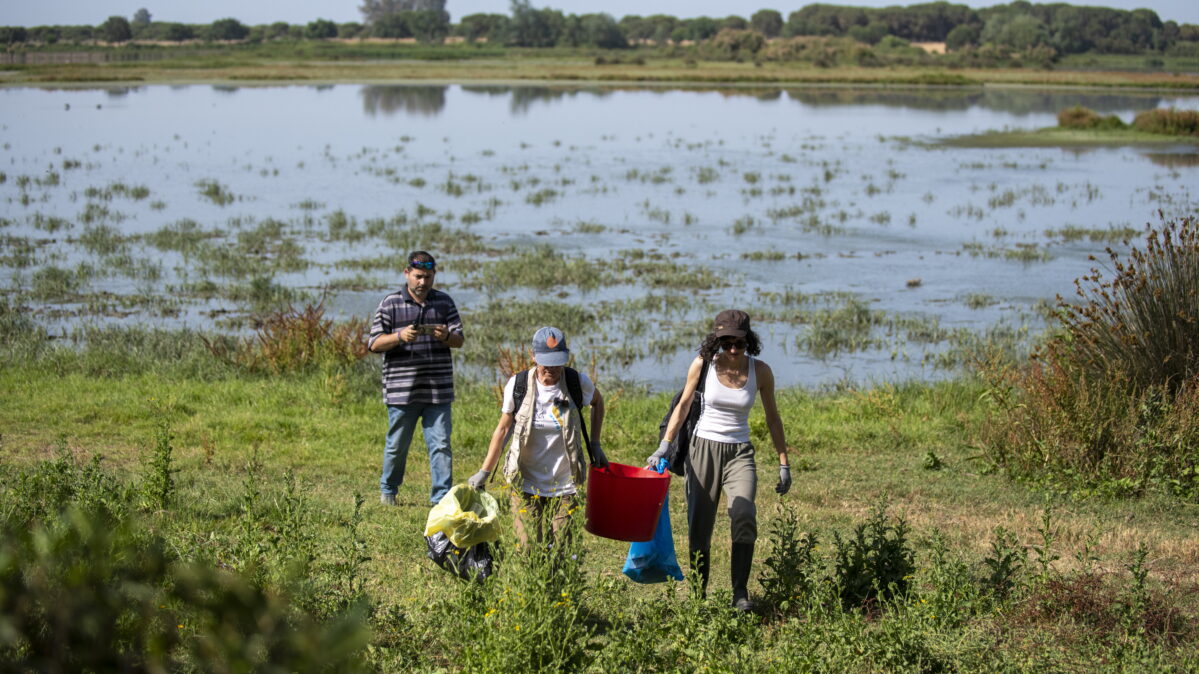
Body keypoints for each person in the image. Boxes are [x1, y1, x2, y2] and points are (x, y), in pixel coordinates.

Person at [647, 309, 791, 612]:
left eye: (739, 343)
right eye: (726, 343)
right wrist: (663, 447)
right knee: (699, 527)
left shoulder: (760, 371)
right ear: (717, 342)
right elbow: (684, 405)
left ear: (748, 341)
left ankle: (739, 593)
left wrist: (784, 463)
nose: (734, 350)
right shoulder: (702, 366)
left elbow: (773, 418)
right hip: (702, 451)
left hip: (740, 452)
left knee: (743, 514)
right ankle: (699, 596)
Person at [468, 326, 608, 550]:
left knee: (561, 550)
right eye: (545, 361)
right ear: (533, 356)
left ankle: (559, 585)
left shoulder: (576, 382)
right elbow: (503, 429)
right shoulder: (518, 385)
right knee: (528, 548)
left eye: (557, 361)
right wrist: (484, 472)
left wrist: (595, 443)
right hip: (526, 482)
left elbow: (597, 403)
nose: (551, 368)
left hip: (565, 484)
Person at [368, 251, 465, 507]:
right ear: (407, 273)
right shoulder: (390, 303)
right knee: (397, 445)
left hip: (438, 391)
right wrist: (399, 337)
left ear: (434, 276)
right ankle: (388, 491)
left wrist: (444, 335)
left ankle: (441, 500)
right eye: (419, 277)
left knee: (441, 445)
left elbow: (459, 340)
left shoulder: (444, 303)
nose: (423, 283)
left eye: (428, 277)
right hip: (402, 391)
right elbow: (374, 343)